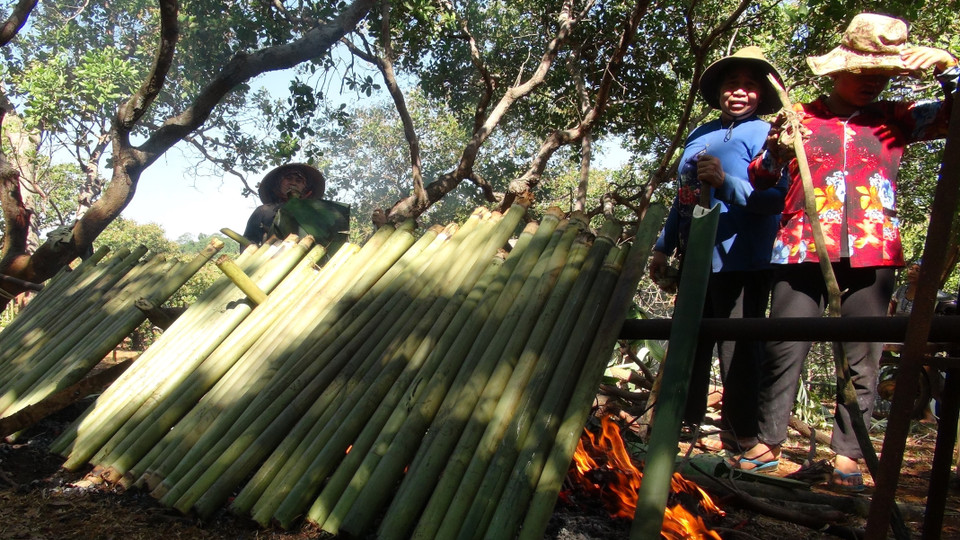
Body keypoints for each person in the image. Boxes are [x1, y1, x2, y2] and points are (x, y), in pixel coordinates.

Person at [736, 13, 959, 493]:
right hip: (800, 246)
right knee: (784, 344)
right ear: (838, 71)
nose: (872, 82)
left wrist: (949, 67)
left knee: (863, 353)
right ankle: (766, 445)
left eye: (882, 75)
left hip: (872, 248)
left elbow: (955, 111)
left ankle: (848, 455)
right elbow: (762, 177)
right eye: (862, 73)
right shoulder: (801, 116)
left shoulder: (897, 117)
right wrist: (777, 147)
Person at [649, 46, 787, 454]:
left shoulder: (768, 134)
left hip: (743, 257)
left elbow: (776, 198)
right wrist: (664, 245)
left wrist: (727, 183)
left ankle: (742, 436)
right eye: (732, 85)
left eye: (749, 86)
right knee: (689, 342)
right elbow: (685, 195)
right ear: (720, 93)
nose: (739, 92)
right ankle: (677, 426)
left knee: (738, 347)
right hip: (696, 256)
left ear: (760, 94)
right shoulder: (699, 135)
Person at [242, 163, 350, 254]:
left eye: (299, 181)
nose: (293, 183)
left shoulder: (318, 214)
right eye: (288, 179)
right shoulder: (264, 211)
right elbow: (248, 245)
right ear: (278, 184)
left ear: (305, 188)